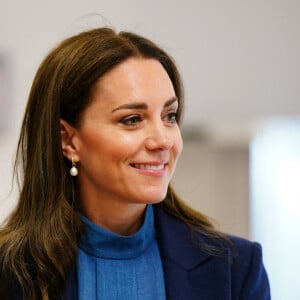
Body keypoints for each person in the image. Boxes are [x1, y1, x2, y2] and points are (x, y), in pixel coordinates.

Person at [0, 27, 270, 300]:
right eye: (132, 119)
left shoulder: (236, 269)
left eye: (170, 116)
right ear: (68, 140)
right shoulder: (9, 275)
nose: (162, 140)